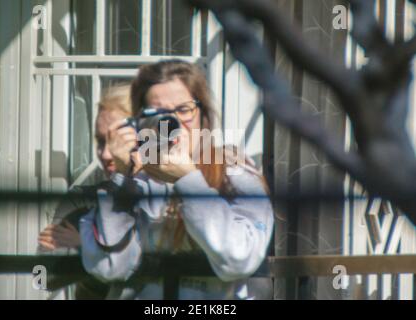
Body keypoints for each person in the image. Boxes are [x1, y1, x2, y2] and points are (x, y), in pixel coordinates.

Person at [80, 59, 275, 300]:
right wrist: (122, 178)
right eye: (158, 113)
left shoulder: (235, 173)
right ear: (142, 122)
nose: (172, 123)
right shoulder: (136, 180)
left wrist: (189, 180)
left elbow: (237, 259)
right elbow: (109, 268)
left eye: (183, 110)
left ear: (203, 114)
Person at [37, 83, 133, 299]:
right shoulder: (81, 200)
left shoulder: (172, 200)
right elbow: (41, 277)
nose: (106, 154)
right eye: (100, 141)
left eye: (116, 141)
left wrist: (85, 244)